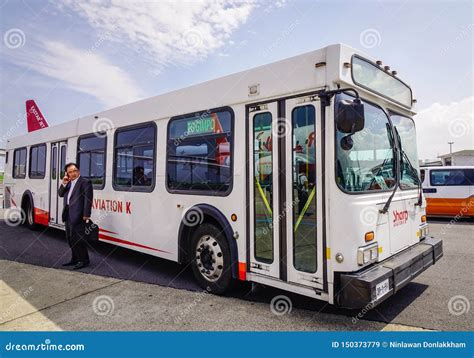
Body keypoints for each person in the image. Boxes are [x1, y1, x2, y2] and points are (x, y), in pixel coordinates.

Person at [58, 163, 93, 269]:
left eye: (75, 171)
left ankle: (84, 261)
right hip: (68, 213)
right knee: (69, 238)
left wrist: (86, 214)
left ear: (79, 171)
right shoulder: (68, 182)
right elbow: (60, 194)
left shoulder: (85, 182)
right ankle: (74, 259)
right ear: (67, 174)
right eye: (70, 172)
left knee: (78, 239)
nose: (73, 173)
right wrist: (64, 183)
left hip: (79, 214)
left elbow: (88, 198)